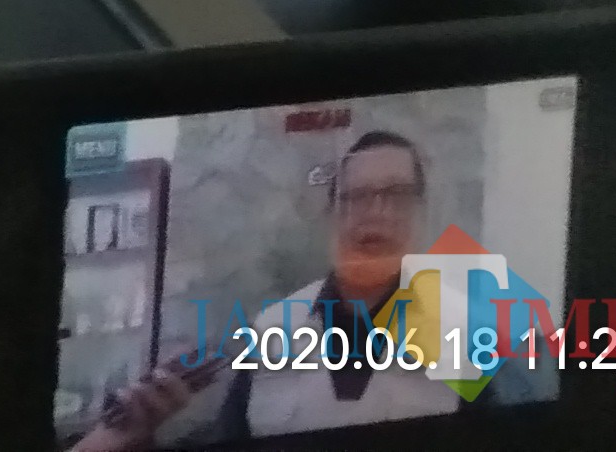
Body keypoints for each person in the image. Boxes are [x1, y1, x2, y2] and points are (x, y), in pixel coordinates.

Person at [71, 131, 467, 446]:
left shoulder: (465, 327)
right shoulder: (271, 328)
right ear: (331, 215)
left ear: (421, 210)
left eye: (397, 195)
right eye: (357, 197)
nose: (376, 212)